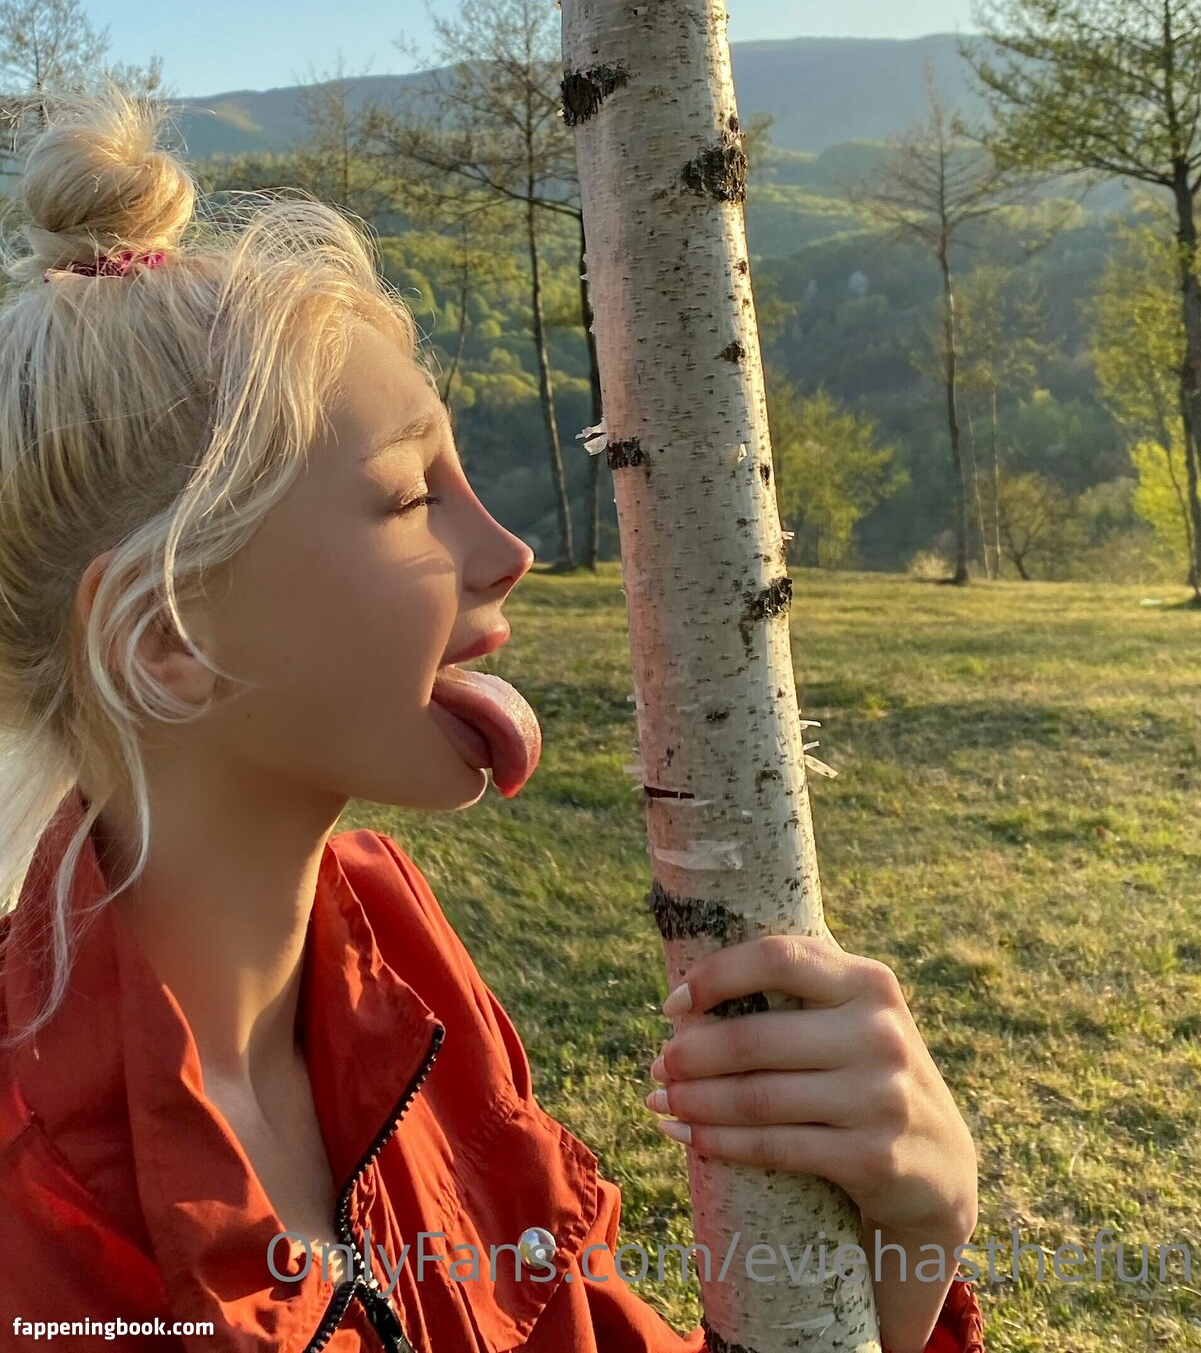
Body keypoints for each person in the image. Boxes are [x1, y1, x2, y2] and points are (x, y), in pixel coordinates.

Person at [0, 83, 985, 1353]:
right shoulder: (33, 1222)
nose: (506, 550)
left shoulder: (396, 959)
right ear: (168, 640)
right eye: (413, 494)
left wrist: (906, 1252)